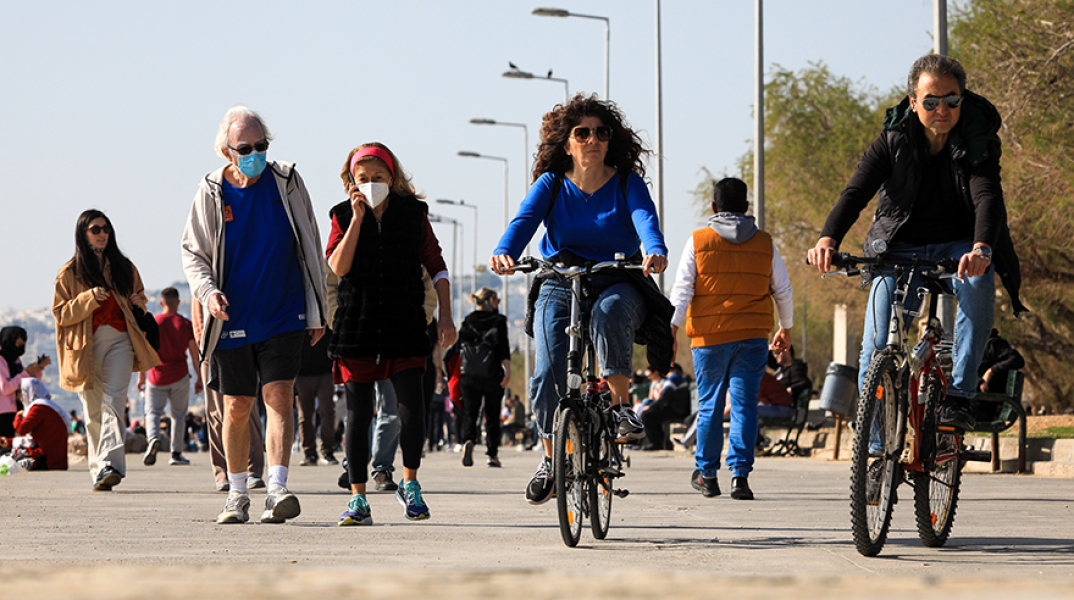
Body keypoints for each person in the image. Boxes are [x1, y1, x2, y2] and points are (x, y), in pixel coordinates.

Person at [807, 55, 1025, 439]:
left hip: (960, 247)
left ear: (963, 98)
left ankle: (958, 396)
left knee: (977, 287)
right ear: (913, 101)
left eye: (952, 100)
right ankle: (874, 448)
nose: (942, 110)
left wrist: (981, 249)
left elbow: (988, 197)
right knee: (877, 344)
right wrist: (828, 238)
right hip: (898, 248)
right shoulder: (892, 142)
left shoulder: (978, 141)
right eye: (931, 101)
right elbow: (856, 193)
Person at [490, 93, 672, 506]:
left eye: (601, 133)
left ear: (610, 141)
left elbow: (646, 219)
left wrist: (653, 249)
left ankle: (622, 406)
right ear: (567, 142)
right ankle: (551, 460)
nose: (592, 140)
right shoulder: (552, 184)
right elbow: (523, 222)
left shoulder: (627, 183)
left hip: (616, 277)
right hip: (560, 277)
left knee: (610, 314)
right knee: (545, 370)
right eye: (582, 133)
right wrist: (506, 251)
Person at [182, 106, 327, 524]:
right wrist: (208, 295)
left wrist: (318, 309)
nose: (255, 154)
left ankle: (278, 489)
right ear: (227, 151)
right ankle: (238, 493)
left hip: (284, 310)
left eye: (262, 145)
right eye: (245, 148)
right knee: (237, 406)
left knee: (279, 396)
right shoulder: (210, 191)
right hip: (232, 317)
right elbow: (193, 253)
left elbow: (311, 242)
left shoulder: (287, 180)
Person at [327, 142, 455, 526]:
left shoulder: (413, 214)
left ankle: (410, 484)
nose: (371, 184)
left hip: (404, 325)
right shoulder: (340, 215)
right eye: (362, 179)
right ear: (351, 182)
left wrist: (446, 317)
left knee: (409, 412)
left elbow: (437, 266)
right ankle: (358, 498)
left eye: (378, 178)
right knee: (358, 415)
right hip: (358, 329)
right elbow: (338, 267)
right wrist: (355, 219)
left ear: (392, 177)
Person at [670, 177, 794, 501]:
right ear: (747, 208)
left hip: (709, 339)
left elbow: (681, 290)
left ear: (713, 207)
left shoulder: (698, 241)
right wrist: (786, 328)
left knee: (710, 405)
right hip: (753, 337)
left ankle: (708, 476)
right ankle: (740, 477)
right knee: (744, 406)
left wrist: (671, 329)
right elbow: (782, 288)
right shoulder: (765, 242)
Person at [53, 210, 161, 491]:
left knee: (114, 402)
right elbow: (61, 313)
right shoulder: (70, 272)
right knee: (92, 411)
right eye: (95, 229)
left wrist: (140, 301)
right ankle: (99, 470)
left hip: (121, 340)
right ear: (83, 233)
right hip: (85, 345)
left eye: (106, 229)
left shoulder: (124, 266)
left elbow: (141, 298)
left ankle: (110, 465)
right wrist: (88, 299)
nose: (102, 234)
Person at [192, 299, 265, 493]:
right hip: (211, 346)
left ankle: (254, 469)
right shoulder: (203, 271)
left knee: (247, 408)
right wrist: (204, 343)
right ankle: (221, 472)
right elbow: (198, 309)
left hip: (244, 342)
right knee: (216, 414)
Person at [137, 287, 202, 467]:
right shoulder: (185, 324)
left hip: (156, 375)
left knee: (152, 412)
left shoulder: (154, 322)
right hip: (180, 375)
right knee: (179, 415)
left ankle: (153, 439)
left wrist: (141, 377)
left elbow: (145, 351)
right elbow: (194, 354)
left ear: (161, 303)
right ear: (178, 303)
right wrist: (199, 377)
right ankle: (176, 453)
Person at [457, 287, 511, 468]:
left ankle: (468, 440)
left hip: (469, 375)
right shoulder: (499, 320)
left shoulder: (467, 320)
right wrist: (508, 371)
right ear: (491, 301)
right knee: (492, 415)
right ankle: (492, 454)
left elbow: (460, 348)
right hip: (492, 374)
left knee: (470, 413)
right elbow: (503, 346)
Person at [295, 324, 337, 467]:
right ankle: (309, 453)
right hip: (301, 374)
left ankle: (328, 450)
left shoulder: (323, 315)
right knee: (304, 415)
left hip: (325, 372)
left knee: (327, 411)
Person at [1, 326, 49, 438]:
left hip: (17, 411)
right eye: (18, 344)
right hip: (3, 413)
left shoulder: (15, 360)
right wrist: (26, 372)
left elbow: (26, 383)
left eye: (22, 344)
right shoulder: (1, 360)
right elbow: (5, 388)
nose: (20, 348)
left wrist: (38, 368)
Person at [13, 377, 70, 470]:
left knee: (10, 454)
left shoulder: (38, 408)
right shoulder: (49, 405)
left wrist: (18, 416)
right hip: (58, 461)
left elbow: (21, 429)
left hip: (48, 460)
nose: (21, 399)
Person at [639, 363, 692, 451]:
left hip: (675, 411)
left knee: (646, 415)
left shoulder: (674, 378)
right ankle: (659, 442)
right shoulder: (678, 378)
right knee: (652, 415)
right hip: (678, 410)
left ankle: (656, 443)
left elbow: (664, 398)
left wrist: (650, 407)